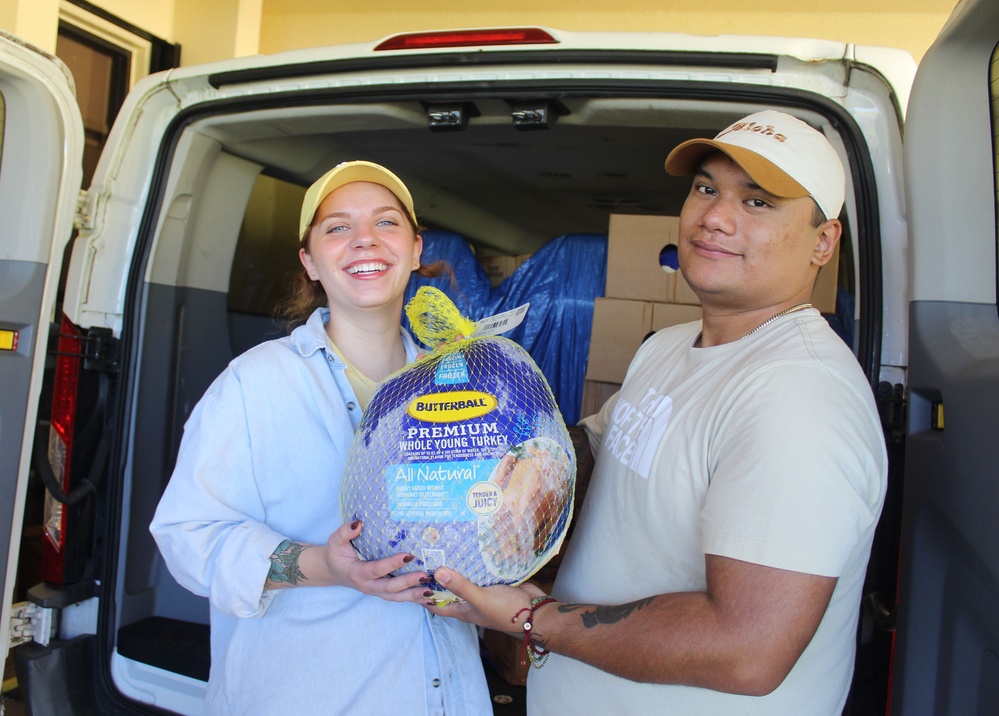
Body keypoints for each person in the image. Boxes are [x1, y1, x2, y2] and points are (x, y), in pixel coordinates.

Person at [428, 110, 888, 715]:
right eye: (706, 189)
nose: (715, 217)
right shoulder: (673, 346)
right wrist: (482, 456)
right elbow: (601, 445)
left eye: (758, 202)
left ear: (822, 242)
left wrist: (534, 619)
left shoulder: (798, 397)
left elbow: (744, 649)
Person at [150, 160, 491, 715]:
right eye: (337, 227)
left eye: (386, 223)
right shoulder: (254, 384)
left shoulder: (460, 385)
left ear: (413, 248)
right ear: (310, 262)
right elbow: (187, 537)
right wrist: (320, 565)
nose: (364, 240)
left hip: (444, 693)